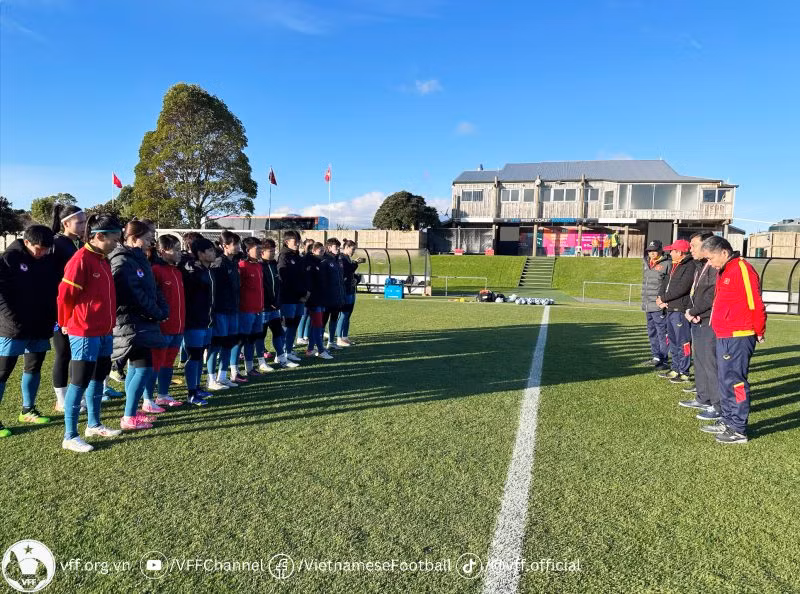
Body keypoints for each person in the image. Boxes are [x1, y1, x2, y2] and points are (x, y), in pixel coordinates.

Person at [57, 214, 124, 453]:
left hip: (105, 330)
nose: (118, 242)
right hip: (84, 331)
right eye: (114, 238)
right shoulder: (81, 259)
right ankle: (70, 435)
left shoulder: (103, 260)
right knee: (80, 380)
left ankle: (93, 424)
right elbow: (65, 295)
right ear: (99, 236)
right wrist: (65, 322)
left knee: (99, 377)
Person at [699, 236, 767, 444]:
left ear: (724, 253)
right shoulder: (725, 270)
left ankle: (738, 428)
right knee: (724, 379)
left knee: (735, 381)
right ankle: (727, 420)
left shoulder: (742, 269)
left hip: (738, 335)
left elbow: (754, 301)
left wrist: (759, 329)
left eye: (710, 258)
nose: (709, 264)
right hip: (724, 333)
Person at [0, 225, 60, 438]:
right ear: (26, 242)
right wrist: (12, 320)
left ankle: (28, 410)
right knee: (3, 372)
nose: (42, 252)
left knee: (34, 367)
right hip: (12, 328)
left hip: (40, 326)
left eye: (46, 249)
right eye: (38, 248)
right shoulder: (9, 259)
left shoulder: (46, 259)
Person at [110, 221, 168, 430]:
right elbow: (132, 293)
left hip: (143, 322)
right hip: (132, 323)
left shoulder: (140, 258)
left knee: (137, 368)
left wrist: (161, 308)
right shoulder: (122, 260)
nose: (152, 239)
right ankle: (128, 417)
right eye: (148, 235)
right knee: (143, 369)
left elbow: (152, 288)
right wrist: (155, 312)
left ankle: (131, 413)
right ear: (134, 238)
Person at [50, 204, 94, 411]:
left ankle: (79, 393)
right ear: (65, 223)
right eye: (80, 222)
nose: (84, 225)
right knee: (63, 353)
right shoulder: (58, 244)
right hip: (61, 308)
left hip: (77, 309)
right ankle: (62, 399)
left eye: (85, 221)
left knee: (76, 353)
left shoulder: (77, 244)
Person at [678, 233, 721, 420]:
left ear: (706, 246)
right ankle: (703, 397)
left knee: (710, 364)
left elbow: (711, 295)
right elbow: (695, 292)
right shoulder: (700, 266)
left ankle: (717, 404)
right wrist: (691, 310)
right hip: (697, 319)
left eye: (694, 246)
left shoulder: (713, 267)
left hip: (708, 321)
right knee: (700, 361)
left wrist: (695, 311)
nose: (691, 249)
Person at [147, 234, 186, 408]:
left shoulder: (177, 271)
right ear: (162, 251)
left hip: (178, 327)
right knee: (155, 364)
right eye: (175, 250)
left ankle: (163, 394)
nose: (180, 253)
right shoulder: (155, 270)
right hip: (162, 328)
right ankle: (148, 399)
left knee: (168, 364)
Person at [181, 237, 217, 406]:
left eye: (213, 250)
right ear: (200, 254)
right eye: (209, 250)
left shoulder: (207, 269)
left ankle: (197, 387)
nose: (213, 253)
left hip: (206, 319)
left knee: (200, 354)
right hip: (194, 320)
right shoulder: (192, 271)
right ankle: (191, 393)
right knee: (194, 355)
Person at [656, 239, 694, 383]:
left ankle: (684, 371)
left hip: (680, 309)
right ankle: (675, 368)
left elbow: (682, 288)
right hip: (670, 308)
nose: (669, 252)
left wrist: (664, 298)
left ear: (679, 252)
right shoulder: (674, 265)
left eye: (672, 250)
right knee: (672, 341)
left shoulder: (689, 266)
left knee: (683, 341)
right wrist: (660, 298)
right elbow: (665, 283)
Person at [207, 231, 241, 390]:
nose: (238, 247)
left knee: (229, 343)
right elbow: (214, 291)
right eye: (234, 244)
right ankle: (211, 379)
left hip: (233, 310)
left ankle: (222, 376)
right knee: (216, 344)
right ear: (224, 246)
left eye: (238, 244)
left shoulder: (233, 262)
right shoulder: (218, 264)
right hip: (220, 311)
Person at [261, 238, 298, 369]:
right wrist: (267, 302)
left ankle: (281, 358)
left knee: (278, 332)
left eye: (273, 250)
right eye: (270, 251)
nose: (272, 253)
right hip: (264, 307)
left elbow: (277, 285)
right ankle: (261, 362)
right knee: (261, 335)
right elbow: (261, 288)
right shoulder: (260, 266)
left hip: (275, 307)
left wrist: (277, 301)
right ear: (262, 252)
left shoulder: (273, 264)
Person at [236, 237, 265, 378]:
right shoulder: (242, 266)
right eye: (257, 249)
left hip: (258, 310)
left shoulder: (259, 265)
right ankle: (234, 371)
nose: (260, 251)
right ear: (247, 250)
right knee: (241, 341)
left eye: (261, 248)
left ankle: (249, 367)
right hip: (245, 311)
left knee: (252, 340)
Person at [277, 230, 308, 362]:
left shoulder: (298, 257)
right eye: (295, 242)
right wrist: (298, 292)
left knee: (294, 325)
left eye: (298, 241)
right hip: (288, 298)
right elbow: (284, 278)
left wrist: (304, 293)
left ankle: (289, 350)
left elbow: (303, 277)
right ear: (287, 242)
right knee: (286, 325)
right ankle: (281, 354)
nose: (297, 244)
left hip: (300, 298)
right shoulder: (283, 256)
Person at [640, 239, 670, 369]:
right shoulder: (646, 262)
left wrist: (664, 300)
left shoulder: (667, 263)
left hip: (659, 305)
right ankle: (656, 356)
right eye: (650, 250)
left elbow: (669, 284)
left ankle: (663, 359)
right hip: (648, 304)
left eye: (655, 250)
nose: (652, 253)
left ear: (660, 250)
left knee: (662, 333)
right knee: (651, 332)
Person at [304, 242, 333, 359]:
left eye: (323, 251)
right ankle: (321, 350)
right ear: (313, 251)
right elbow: (310, 283)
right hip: (313, 299)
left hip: (320, 298)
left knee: (315, 324)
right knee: (317, 325)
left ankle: (310, 349)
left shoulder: (320, 263)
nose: (323, 253)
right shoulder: (310, 264)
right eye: (320, 251)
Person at [321, 238, 346, 351]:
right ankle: (319, 344)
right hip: (327, 297)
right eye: (336, 247)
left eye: (339, 247)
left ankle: (331, 342)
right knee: (323, 320)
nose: (338, 249)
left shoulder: (338, 260)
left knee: (334, 319)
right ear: (329, 247)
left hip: (338, 296)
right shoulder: (325, 260)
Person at [334, 239, 360, 346]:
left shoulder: (348, 259)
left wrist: (356, 279)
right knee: (343, 314)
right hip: (344, 291)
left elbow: (351, 274)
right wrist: (355, 263)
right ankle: (339, 338)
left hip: (351, 290)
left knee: (348, 314)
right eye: (352, 249)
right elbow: (345, 272)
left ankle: (345, 337)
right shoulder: (341, 258)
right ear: (347, 247)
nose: (353, 251)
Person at [296, 238, 316, 347]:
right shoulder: (302, 258)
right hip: (304, 291)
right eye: (309, 246)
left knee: (309, 314)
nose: (310, 248)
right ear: (304, 246)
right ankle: (299, 337)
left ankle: (306, 335)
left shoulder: (312, 259)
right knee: (303, 314)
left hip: (312, 290)